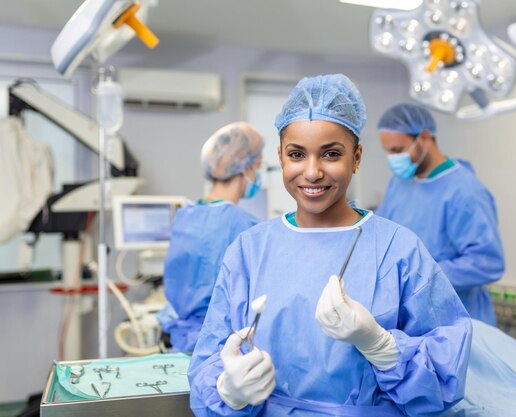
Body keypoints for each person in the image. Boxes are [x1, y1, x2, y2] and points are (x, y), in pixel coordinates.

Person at [189, 74, 472, 417]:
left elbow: (445, 375)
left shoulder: (399, 249)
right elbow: (209, 356)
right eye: (296, 154)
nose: (311, 172)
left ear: (356, 158)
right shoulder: (249, 250)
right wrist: (228, 391)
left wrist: (382, 347)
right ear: (280, 157)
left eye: (331, 154)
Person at [376, 103, 504, 325]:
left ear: (425, 138)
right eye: (389, 152)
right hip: (414, 317)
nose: (393, 159)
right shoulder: (399, 184)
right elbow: (383, 237)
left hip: (458, 319)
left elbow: (487, 262)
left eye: (398, 150)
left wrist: (423, 276)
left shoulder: (464, 191)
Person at [160, 122, 264, 353]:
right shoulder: (243, 225)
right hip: (219, 345)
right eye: (258, 166)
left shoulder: (187, 213)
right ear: (245, 168)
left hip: (183, 341)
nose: (258, 174)